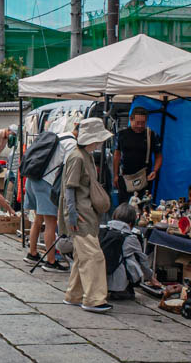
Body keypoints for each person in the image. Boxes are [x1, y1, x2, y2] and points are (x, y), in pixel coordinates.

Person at [58, 118, 114, 313]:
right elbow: (70, 189)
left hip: (85, 212)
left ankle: (74, 294)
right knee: (93, 256)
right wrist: (71, 216)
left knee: (83, 256)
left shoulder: (84, 156)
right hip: (81, 214)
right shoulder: (78, 157)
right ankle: (93, 299)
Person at [23, 125, 77, 273]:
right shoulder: (72, 144)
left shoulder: (60, 135)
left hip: (33, 178)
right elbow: (69, 169)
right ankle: (51, 261)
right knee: (50, 222)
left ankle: (32, 253)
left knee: (38, 219)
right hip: (46, 182)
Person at [103, 203, 161, 300]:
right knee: (132, 258)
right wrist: (151, 278)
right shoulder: (130, 237)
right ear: (130, 223)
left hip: (98, 277)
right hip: (116, 281)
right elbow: (143, 261)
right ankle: (121, 290)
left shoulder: (104, 230)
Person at [112, 107, 163, 205]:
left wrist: (155, 171)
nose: (140, 126)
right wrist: (115, 175)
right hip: (125, 177)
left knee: (143, 206)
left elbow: (159, 156)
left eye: (143, 123)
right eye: (137, 122)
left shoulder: (152, 135)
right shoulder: (121, 135)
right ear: (131, 119)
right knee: (124, 206)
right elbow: (117, 155)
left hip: (145, 178)